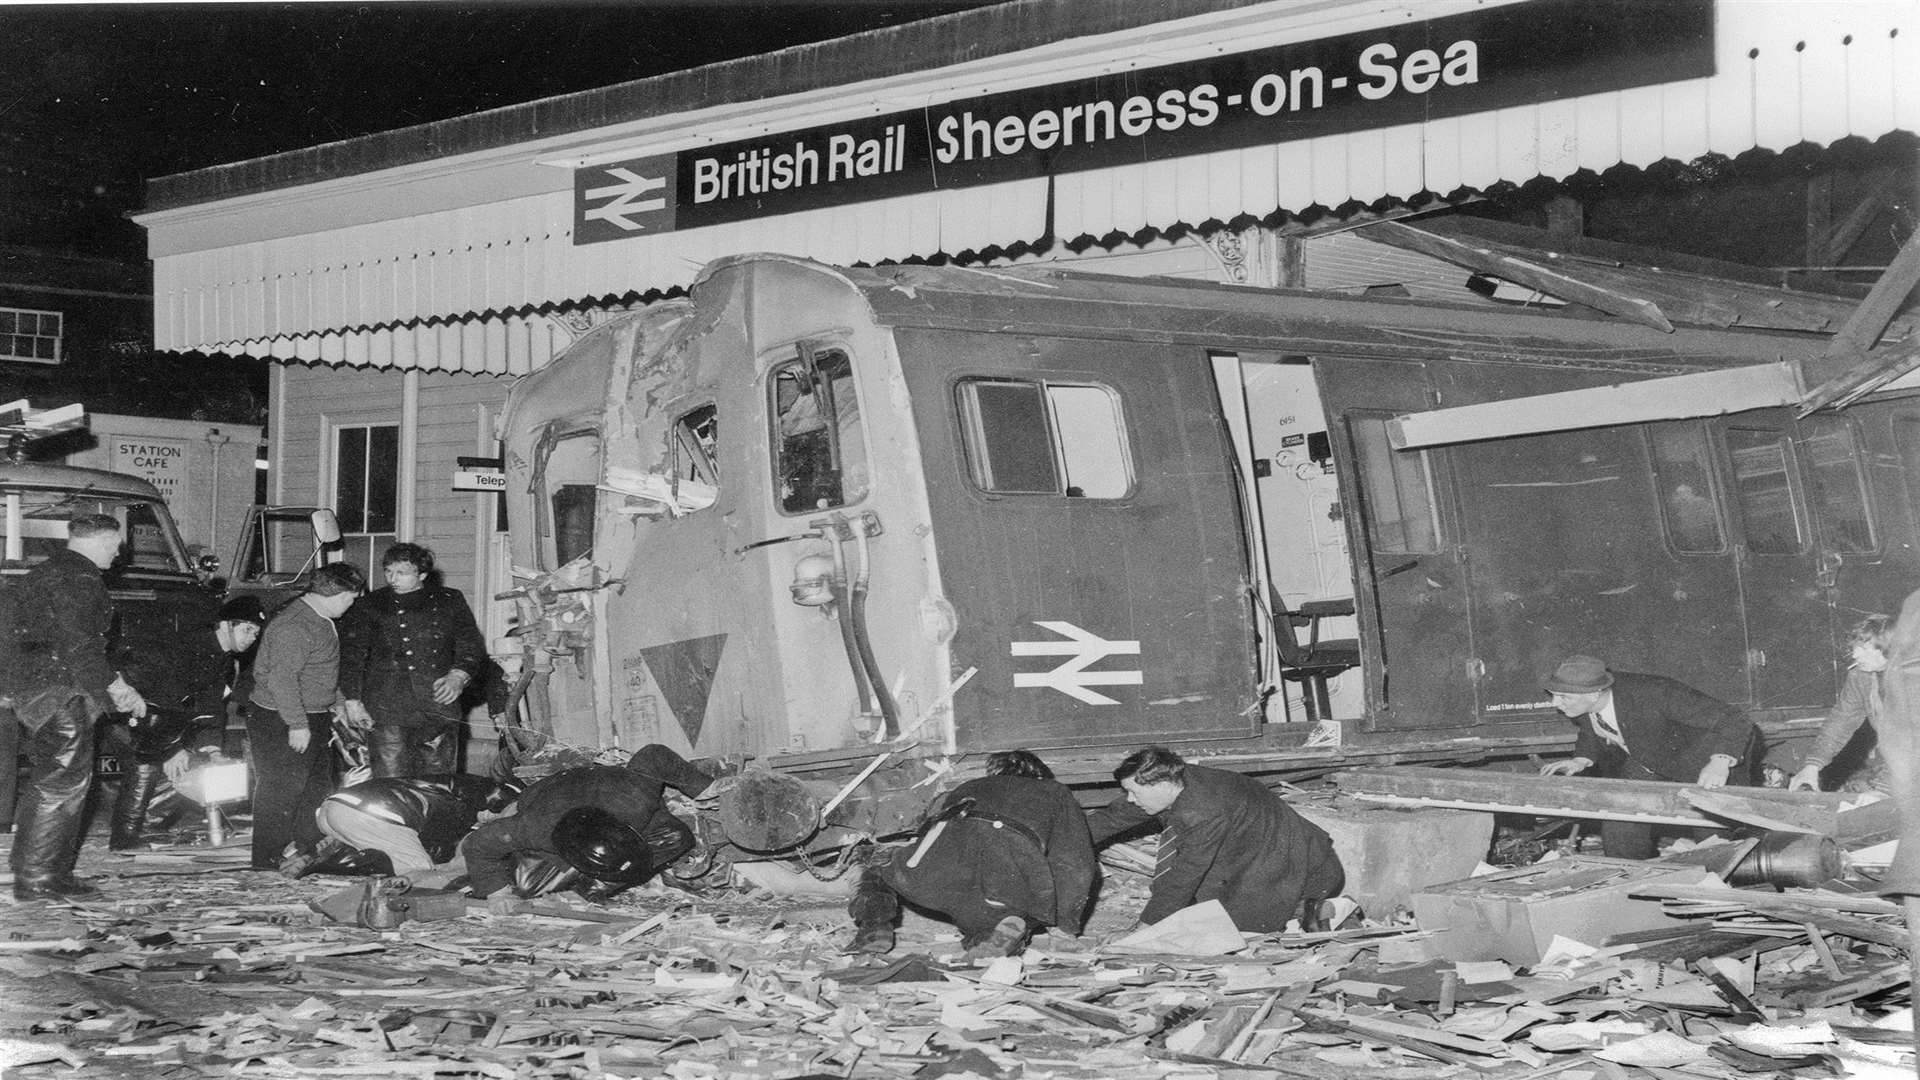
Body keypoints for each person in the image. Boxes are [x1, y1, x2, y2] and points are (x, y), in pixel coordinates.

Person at [7, 514, 147, 900]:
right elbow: (81, 647)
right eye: (116, 545)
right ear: (102, 540)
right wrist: (115, 691)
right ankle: (37, 877)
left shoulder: (42, 573)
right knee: (61, 782)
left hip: (36, 690)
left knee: (55, 779)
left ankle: (46, 869)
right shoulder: (81, 579)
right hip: (62, 692)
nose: (118, 554)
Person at [846, 749, 1097, 960]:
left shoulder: (968, 787)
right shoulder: (1055, 792)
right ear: (1041, 775)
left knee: (874, 861)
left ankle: (874, 927)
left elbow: (928, 833)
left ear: (996, 772)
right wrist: (1065, 929)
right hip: (1006, 873)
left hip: (940, 865)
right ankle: (997, 935)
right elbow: (1075, 863)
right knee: (1005, 914)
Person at [1086, 746, 1343, 934]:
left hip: (1295, 865)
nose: (1130, 799)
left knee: (1234, 932)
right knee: (1201, 913)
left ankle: (1312, 908)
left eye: (1134, 792)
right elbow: (1113, 818)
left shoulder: (1204, 809)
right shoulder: (1172, 780)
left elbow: (1184, 874)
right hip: (1256, 854)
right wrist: (1065, 841)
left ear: (1163, 785)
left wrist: (1146, 927)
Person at [1537, 653, 1762, 858]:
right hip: (1651, 759)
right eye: (1554, 695)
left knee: (1713, 842)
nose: (1555, 704)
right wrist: (1581, 759)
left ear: (1595, 693)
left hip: (1708, 762)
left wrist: (1720, 762)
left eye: (1563, 697)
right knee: (1621, 816)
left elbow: (1736, 720)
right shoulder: (1585, 700)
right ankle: (1628, 877)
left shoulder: (1656, 692)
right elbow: (1591, 724)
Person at [460, 744, 715, 901]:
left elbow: (654, 755)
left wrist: (708, 790)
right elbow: (477, 844)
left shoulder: (634, 802)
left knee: (678, 837)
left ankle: (596, 885)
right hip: (547, 798)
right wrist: (496, 892)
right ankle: (586, 882)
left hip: (608, 794)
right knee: (527, 889)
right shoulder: (536, 830)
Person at [108, 596, 265, 850]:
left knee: (195, 767)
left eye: (256, 633)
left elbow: (211, 709)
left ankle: (149, 827)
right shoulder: (187, 648)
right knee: (145, 765)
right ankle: (124, 841)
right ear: (225, 625)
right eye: (247, 629)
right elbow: (159, 702)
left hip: (161, 721)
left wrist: (212, 751)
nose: (251, 638)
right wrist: (171, 749)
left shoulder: (223, 660)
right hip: (130, 713)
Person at [247, 562, 365, 871]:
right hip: (282, 717)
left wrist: (336, 701)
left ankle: (306, 850)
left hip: (311, 713)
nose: (352, 604)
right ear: (337, 594)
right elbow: (281, 680)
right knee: (282, 789)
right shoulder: (295, 626)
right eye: (351, 598)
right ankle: (267, 858)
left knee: (314, 787)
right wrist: (297, 725)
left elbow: (319, 672)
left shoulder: (321, 619)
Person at [338, 543, 487, 778]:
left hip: (438, 705)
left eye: (402, 573)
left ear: (423, 575)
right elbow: (352, 655)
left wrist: (459, 675)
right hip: (388, 709)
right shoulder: (369, 605)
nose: (392, 579)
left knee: (438, 783)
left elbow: (471, 643)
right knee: (390, 784)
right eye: (388, 571)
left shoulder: (449, 599)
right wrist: (353, 700)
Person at [292, 773, 522, 883]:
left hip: (333, 810)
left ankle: (316, 868)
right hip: (369, 813)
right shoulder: (474, 792)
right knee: (422, 874)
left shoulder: (447, 791)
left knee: (382, 856)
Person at [1791, 616, 1894, 793]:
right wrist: (1813, 765)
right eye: (1854, 648)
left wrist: (1884, 790)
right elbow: (1841, 720)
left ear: (1888, 649)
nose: (1854, 655)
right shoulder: (1861, 676)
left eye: (1863, 648)